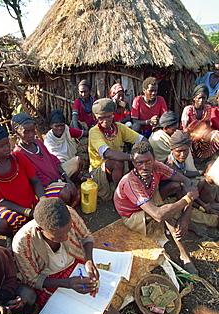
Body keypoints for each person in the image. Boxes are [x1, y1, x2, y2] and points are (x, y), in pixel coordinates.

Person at [13, 197, 166, 314]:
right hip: (50, 283)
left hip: (75, 268)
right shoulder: (22, 243)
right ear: (41, 229)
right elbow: (32, 279)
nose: (65, 239)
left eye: (67, 232)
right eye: (58, 236)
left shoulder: (69, 213)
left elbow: (85, 237)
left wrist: (88, 261)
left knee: (109, 313)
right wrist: (67, 283)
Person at [114, 141, 199, 275]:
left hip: (150, 197)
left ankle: (186, 223)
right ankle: (184, 255)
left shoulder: (158, 167)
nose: (144, 167)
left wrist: (185, 217)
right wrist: (187, 199)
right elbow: (158, 215)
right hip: (131, 215)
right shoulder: (131, 183)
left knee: (177, 187)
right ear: (133, 163)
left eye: (148, 162)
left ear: (154, 159)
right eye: (139, 163)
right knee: (164, 212)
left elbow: (187, 182)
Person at [0, 121, 63, 237]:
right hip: (10, 208)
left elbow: (35, 181)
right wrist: (27, 212)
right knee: (1, 224)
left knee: (64, 192)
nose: (7, 147)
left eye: (7, 143)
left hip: (32, 199)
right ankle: (12, 236)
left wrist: (43, 202)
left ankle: (38, 222)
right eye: (1, 146)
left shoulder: (18, 157)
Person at [12, 112, 80, 208]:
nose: (31, 135)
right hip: (44, 185)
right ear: (17, 133)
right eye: (26, 132)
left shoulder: (37, 142)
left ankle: (71, 189)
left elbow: (53, 159)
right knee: (66, 192)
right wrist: (59, 181)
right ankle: (67, 200)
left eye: (32, 131)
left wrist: (65, 176)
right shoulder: (19, 153)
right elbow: (37, 177)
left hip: (56, 175)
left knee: (78, 162)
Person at [88, 98, 145, 200]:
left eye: (109, 117)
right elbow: (108, 153)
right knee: (118, 161)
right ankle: (119, 194)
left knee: (135, 154)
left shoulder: (119, 127)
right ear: (96, 117)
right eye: (101, 118)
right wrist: (132, 157)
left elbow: (141, 139)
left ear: (113, 114)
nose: (105, 121)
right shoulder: (94, 131)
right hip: (98, 171)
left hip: (117, 167)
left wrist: (145, 152)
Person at [44, 109, 88, 181]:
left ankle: (76, 176)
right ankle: (73, 180)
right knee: (78, 160)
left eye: (62, 125)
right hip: (59, 170)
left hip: (70, 163)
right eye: (56, 126)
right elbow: (56, 162)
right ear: (51, 125)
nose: (60, 128)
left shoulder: (66, 131)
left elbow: (82, 133)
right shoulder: (49, 141)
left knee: (84, 142)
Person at [181, 84, 219, 159]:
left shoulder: (207, 108)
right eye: (199, 98)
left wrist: (204, 134)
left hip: (202, 134)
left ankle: (206, 156)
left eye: (204, 98)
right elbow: (185, 129)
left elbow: (208, 127)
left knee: (216, 135)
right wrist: (197, 134)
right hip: (190, 135)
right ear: (194, 98)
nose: (201, 100)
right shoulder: (188, 109)